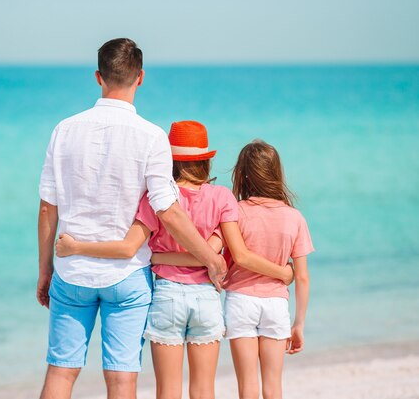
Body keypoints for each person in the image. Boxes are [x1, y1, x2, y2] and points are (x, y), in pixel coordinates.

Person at [37, 39, 228, 399]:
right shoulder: (151, 136)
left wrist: (45, 269)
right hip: (127, 277)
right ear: (140, 77)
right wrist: (211, 259)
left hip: (71, 270)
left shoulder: (64, 129)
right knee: (123, 380)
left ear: (98, 77)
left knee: (61, 373)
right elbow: (168, 212)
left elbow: (48, 207)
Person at [56, 121, 294, 399]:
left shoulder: (155, 199)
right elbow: (212, 254)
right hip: (206, 298)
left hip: (167, 295)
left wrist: (76, 246)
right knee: (204, 390)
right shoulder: (222, 197)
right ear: (206, 160)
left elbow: (128, 248)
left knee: (167, 392)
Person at [222, 140, 314, 399]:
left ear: (242, 174)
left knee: (247, 387)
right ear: (276, 173)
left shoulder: (236, 212)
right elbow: (302, 277)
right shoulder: (294, 217)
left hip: (240, 301)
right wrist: (299, 324)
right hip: (276, 304)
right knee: (273, 388)